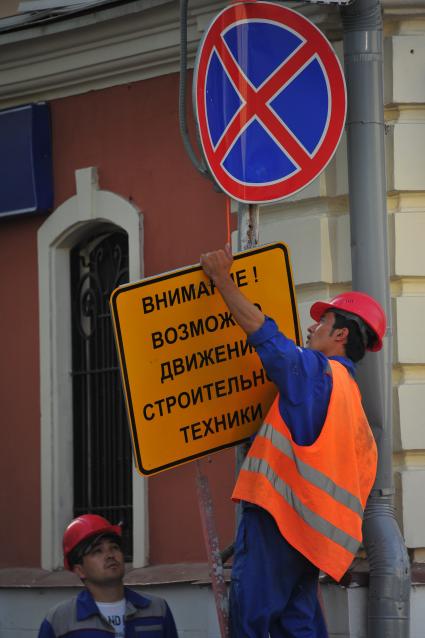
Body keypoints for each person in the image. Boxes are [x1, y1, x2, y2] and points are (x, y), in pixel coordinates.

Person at [200, 244, 386, 638]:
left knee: (251, 621)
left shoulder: (315, 375)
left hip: (277, 523)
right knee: (298, 625)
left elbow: (265, 335)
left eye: (321, 324)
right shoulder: (352, 402)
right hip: (312, 540)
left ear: (340, 334)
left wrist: (222, 280)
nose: (311, 328)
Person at [38, 514, 179, 638]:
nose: (110, 555)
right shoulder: (60, 620)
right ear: (80, 570)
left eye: (114, 547)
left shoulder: (157, 609)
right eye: (98, 551)